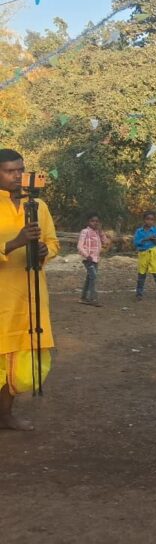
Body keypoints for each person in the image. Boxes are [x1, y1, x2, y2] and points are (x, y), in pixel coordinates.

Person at [0, 149, 59, 430]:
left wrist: (45, 250)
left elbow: (53, 242)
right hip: (2, 296)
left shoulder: (38, 207)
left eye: (20, 170)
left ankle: (5, 415)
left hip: (29, 298)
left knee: (19, 359)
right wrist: (15, 242)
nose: (17, 176)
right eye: (9, 171)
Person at [77, 212, 110, 306]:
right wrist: (87, 255)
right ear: (88, 222)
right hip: (88, 259)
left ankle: (83, 298)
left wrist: (101, 232)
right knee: (93, 277)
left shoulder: (98, 232)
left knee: (90, 277)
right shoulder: (85, 232)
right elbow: (79, 246)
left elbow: (106, 242)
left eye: (97, 221)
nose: (95, 223)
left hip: (96, 259)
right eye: (92, 221)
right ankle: (93, 299)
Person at [134, 211, 156, 301]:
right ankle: (139, 294)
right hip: (143, 254)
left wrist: (155, 239)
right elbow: (136, 243)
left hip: (153, 254)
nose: (149, 221)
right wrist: (146, 239)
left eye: (152, 219)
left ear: (154, 221)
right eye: (148, 219)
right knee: (141, 275)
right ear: (144, 220)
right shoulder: (139, 231)